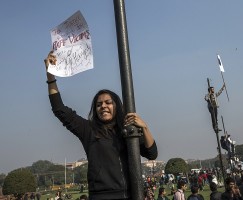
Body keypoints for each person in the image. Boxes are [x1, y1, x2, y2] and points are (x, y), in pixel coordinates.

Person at [44, 51, 158, 200]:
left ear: (117, 106)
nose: (103, 106)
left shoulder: (127, 130)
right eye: (99, 104)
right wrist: (50, 75)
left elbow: (151, 154)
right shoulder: (89, 130)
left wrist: (144, 127)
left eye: (108, 103)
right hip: (100, 195)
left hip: (129, 195)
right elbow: (60, 109)